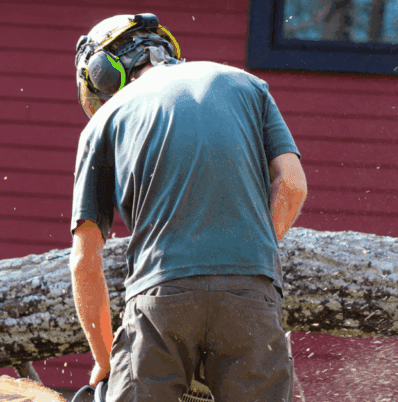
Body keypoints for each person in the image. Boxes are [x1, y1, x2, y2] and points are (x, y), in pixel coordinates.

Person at [69, 13, 307, 402]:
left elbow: (84, 258)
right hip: (251, 294)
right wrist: (245, 255)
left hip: (160, 295)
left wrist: (105, 358)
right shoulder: (248, 85)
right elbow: (293, 185)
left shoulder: (104, 121)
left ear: (102, 73)